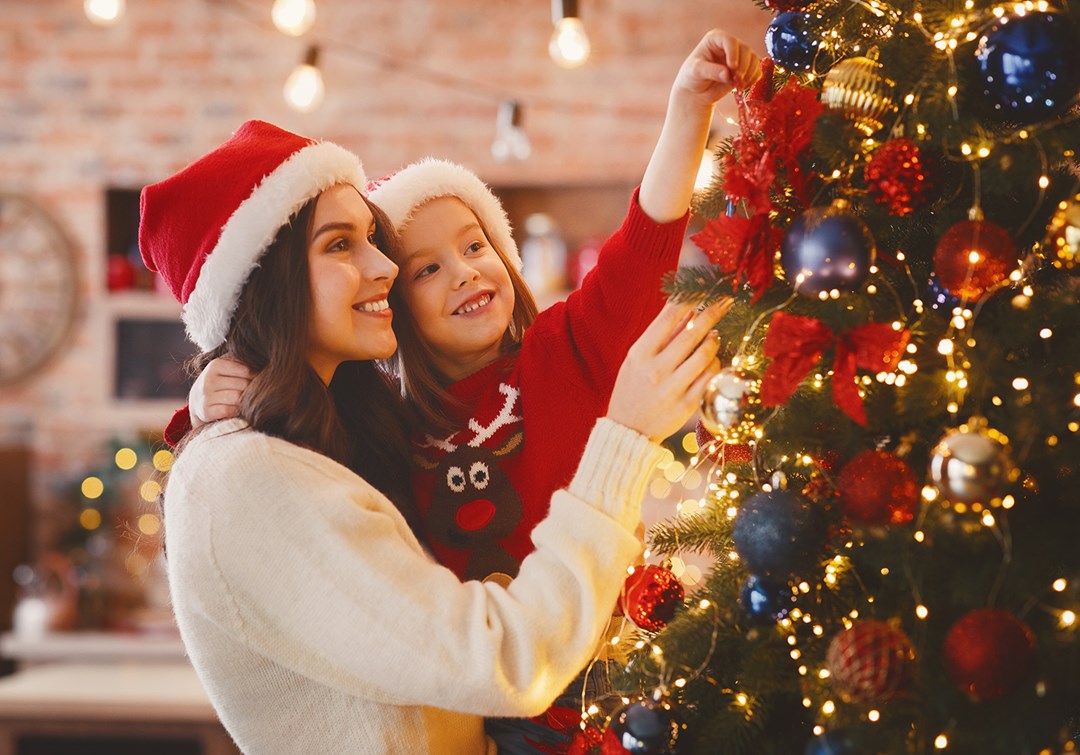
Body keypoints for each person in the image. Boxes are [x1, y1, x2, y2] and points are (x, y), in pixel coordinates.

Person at [142, 119, 727, 754]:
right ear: (267, 282)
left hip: (602, 677)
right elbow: (504, 660)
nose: (383, 268)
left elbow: (639, 250)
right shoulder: (294, 462)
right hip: (530, 683)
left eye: (477, 247)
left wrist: (687, 112)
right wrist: (203, 405)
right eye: (342, 245)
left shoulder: (547, 361)